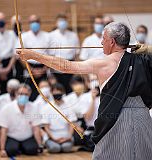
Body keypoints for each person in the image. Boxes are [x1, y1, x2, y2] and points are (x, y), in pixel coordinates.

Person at [17, 21, 152, 160]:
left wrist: (33, 55)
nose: (101, 42)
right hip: (143, 117)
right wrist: (148, 50)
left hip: (115, 119)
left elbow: (66, 66)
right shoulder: (143, 60)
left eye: (104, 39)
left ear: (112, 42)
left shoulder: (104, 63)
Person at [0, 84, 43, 157]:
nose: (23, 96)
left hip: (27, 137)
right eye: (20, 94)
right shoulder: (6, 109)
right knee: (11, 150)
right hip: (12, 137)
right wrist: (2, 149)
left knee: (33, 150)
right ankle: (19, 148)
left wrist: (40, 146)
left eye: (26, 94)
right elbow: (3, 130)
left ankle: (22, 148)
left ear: (29, 95)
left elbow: (36, 129)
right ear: (15, 94)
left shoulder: (34, 107)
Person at [16, 14, 50, 101]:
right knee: (29, 94)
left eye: (36, 21)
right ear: (29, 23)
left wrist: (43, 69)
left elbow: (52, 56)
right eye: (32, 22)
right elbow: (19, 55)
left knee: (44, 94)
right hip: (29, 67)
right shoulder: (23, 36)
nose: (34, 24)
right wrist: (30, 69)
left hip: (44, 67)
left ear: (40, 23)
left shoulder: (47, 36)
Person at [41, 83, 77, 153]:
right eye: (55, 91)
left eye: (59, 91)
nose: (57, 93)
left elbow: (72, 124)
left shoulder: (69, 106)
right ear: (51, 93)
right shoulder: (47, 107)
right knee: (55, 148)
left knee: (66, 148)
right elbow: (46, 127)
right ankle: (49, 142)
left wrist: (68, 137)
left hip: (66, 135)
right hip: (52, 136)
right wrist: (53, 138)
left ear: (63, 93)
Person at [49, 13, 80, 93]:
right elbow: (49, 54)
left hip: (70, 65)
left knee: (70, 90)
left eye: (64, 21)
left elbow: (77, 54)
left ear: (67, 22)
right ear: (56, 23)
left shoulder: (73, 35)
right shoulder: (51, 35)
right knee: (58, 89)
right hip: (56, 65)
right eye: (60, 21)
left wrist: (77, 69)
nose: (62, 22)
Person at [0, 12, 16, 93]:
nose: (1, 22)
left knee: (9, 89)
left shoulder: (11, 34)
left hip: (8, 65)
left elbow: (15, 53)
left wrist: (7, 69)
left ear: (6, 22)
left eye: (2, 20)